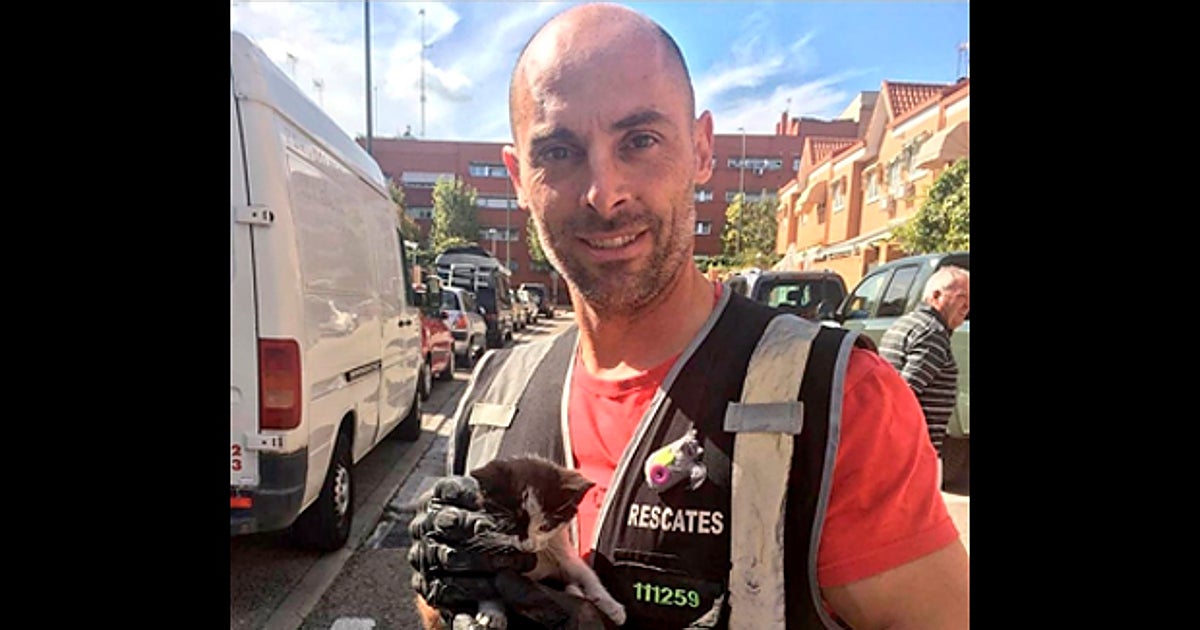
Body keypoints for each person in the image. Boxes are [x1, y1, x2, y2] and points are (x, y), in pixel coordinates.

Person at [408, 3, 970, 629]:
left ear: (702, 149)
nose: (604, 193)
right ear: (518, 177)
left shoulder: (840, 403)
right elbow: (448, 608)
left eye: (640, 141)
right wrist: (443, 596)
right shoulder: (495, 397)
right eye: (560, 151)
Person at [878, 265, 971, 490]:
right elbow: (904, 392)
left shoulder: (905, 323)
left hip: (898, 449)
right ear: (936, 296)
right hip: (914, 454)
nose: (967, 306)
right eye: (962, 298)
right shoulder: (932, 333)